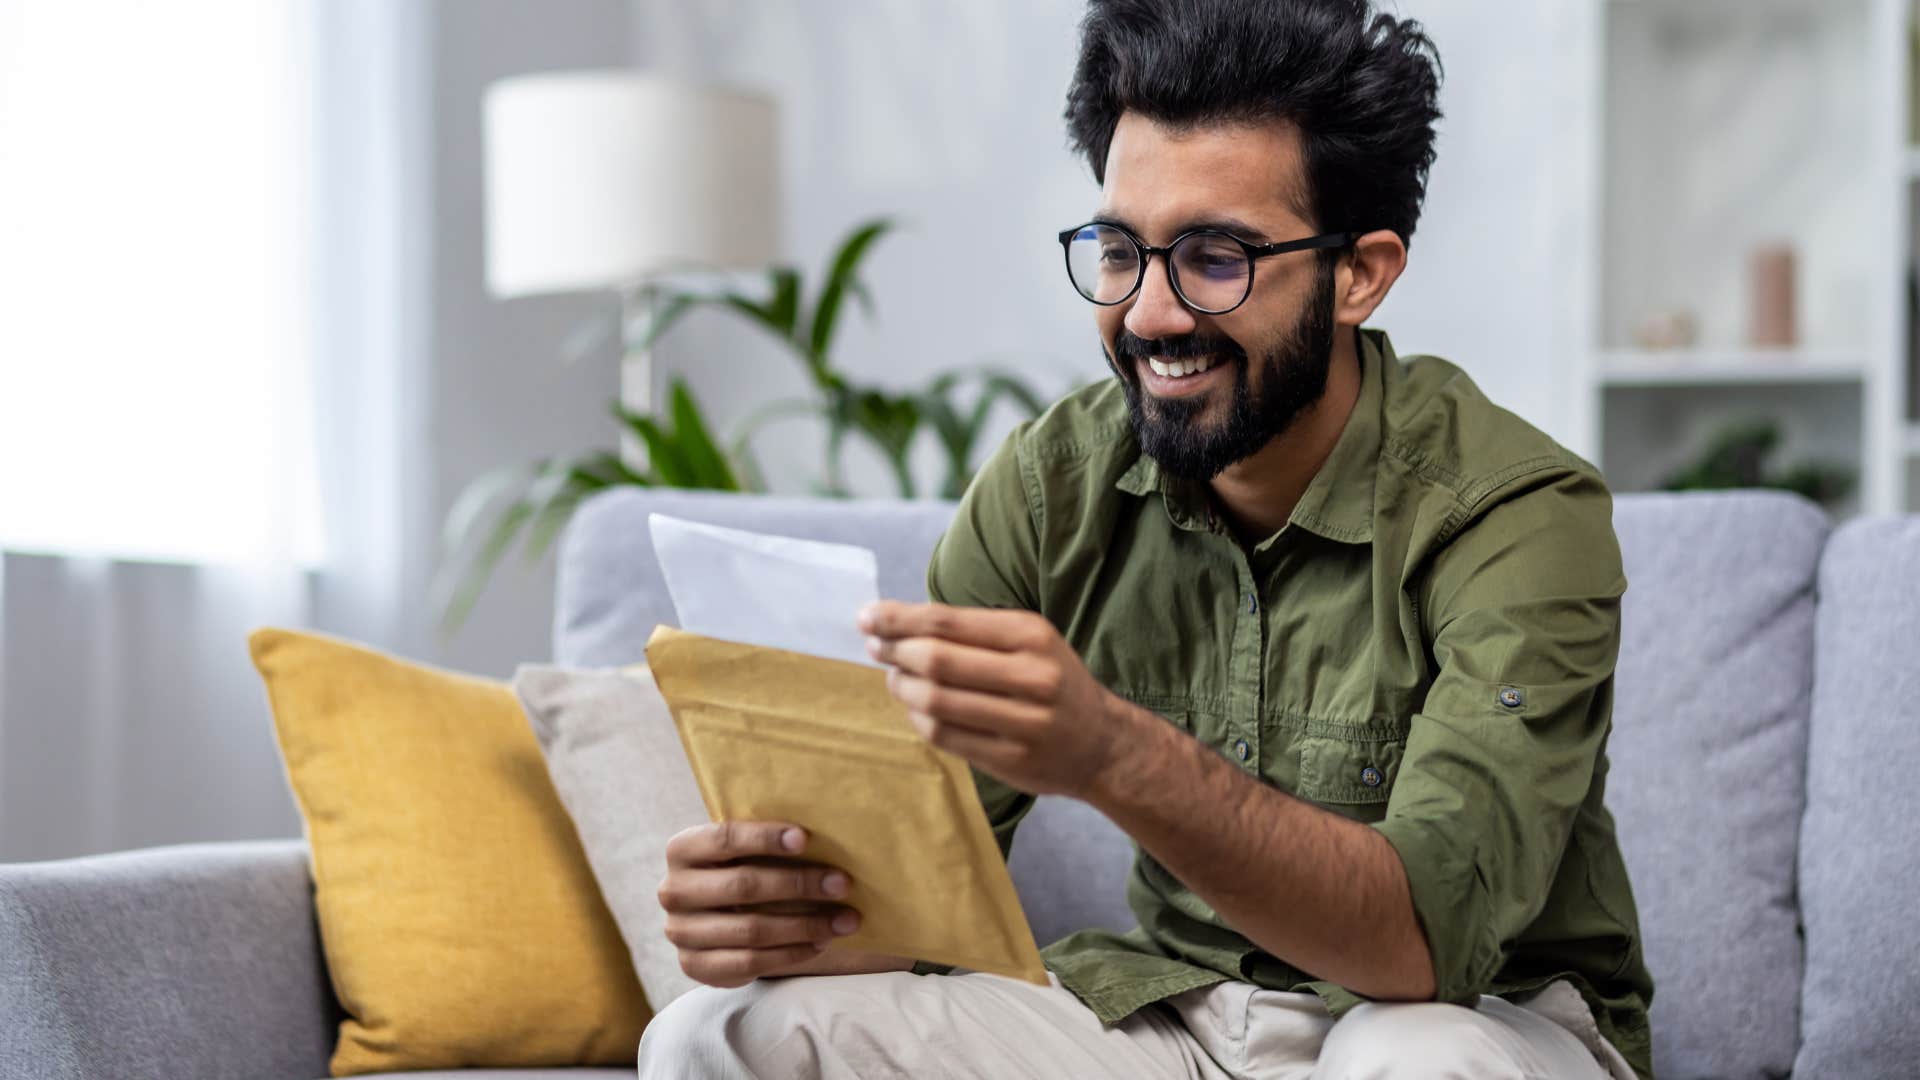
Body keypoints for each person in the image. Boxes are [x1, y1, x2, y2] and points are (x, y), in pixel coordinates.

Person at [637, 0, 1653, 1076]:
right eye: (1122, 250)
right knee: (719, 1033)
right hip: (1176, 1018)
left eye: (1217, 257)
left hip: (1475, 1019)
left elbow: (1422, 944)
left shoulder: (1517, 515)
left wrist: (1115, 754)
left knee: (1420, 1062)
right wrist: (778, 915)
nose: (1153, 315)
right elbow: (924, 883)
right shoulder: (1049, 491)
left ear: (1360, 273)